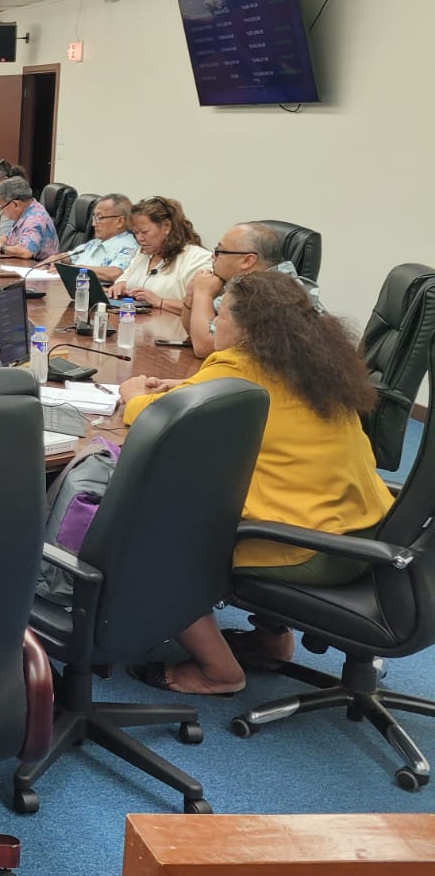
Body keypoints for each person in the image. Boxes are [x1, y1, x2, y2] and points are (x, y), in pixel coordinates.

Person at [119, 271, 393, 696]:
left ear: (246, 328)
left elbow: (160, 421)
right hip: (365, 535)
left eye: (220, 315)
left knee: (151, 535)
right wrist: (188, 387)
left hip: (302, 549)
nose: (213, 324)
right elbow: (242, 399)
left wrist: (132, 394)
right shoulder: (316, 365)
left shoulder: (237, 365)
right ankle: (272, 640)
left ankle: (218, 672)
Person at [183, 222, 324, 357]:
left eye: (219, 251)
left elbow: (206, 346)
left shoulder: (272, 292)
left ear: (247, 261)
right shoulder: (241, 286)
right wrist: (191, 298)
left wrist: (203, 294)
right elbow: (194, 332)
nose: (213, 256)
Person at [105, 196, 212, 316]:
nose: (139, 238)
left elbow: (203, 309)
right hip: (137, 326)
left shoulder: (197, 258)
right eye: (136, 233)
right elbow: (125, 278)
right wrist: (120, 285)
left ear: (166, 226)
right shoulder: (143, 253)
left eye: (144, 232)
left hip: (174, 331)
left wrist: (160, 302)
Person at [55, 192, 137, 282]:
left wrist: (74, 270)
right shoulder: (96, 242)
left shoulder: (129, 246)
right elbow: (71, 257)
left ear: (120, 221)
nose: (93, 224)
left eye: (99, 218)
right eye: (94, 217)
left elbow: (116, 273)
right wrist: (56, 260)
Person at [0, 177, 58, 260]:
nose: (2, 211)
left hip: (41, 268)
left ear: (16, 204)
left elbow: (26, 251)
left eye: (2, 207)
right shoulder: (24, 213)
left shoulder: (35, 218)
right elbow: (7, 239)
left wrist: (2, 248)